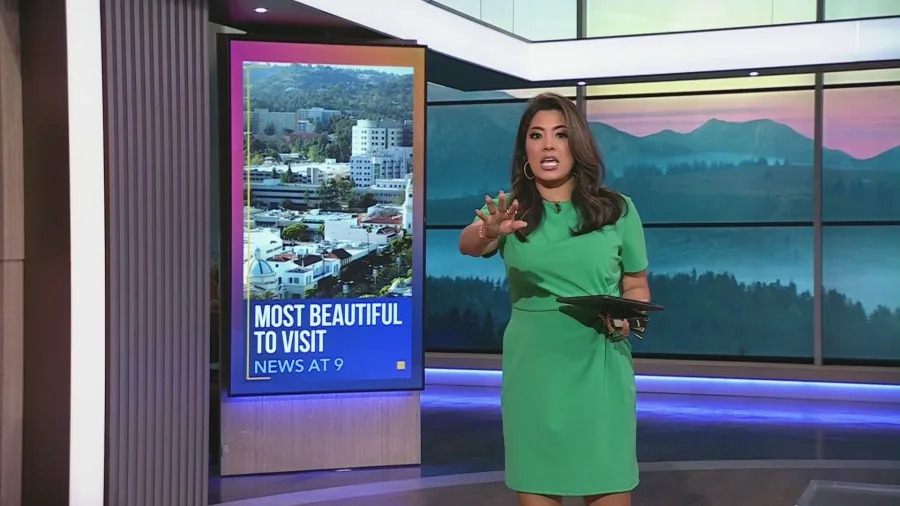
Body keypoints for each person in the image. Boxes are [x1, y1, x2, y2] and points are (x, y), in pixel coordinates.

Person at [458, 92, 651, 506]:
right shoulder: (509, 210)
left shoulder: (617, 210)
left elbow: (636, 286)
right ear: (525, 149)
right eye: (537, 135)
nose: (548, 144)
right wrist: (490, 231)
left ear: (576, 145)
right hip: (535, 375)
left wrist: (626, 318)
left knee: (608, 480)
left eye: (560, 135)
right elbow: (468, 244)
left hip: (599, 368)